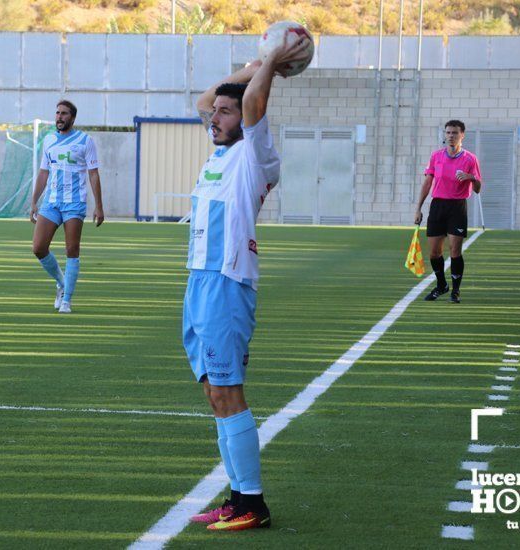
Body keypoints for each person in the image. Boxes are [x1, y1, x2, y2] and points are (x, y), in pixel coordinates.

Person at [183, 31, 312, 531]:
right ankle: (236, 498)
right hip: (198, 282)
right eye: (215, 112)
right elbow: (210, 98)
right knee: (215, 394)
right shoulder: (218, 153)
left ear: (246, 122)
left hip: (227, 283)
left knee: (229, 392)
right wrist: (255, 62)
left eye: (224, 113)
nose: (213, 117)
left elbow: (253, 100)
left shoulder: (254, 156)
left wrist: (272, 64)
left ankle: (253, 504)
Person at [30, 100, 105, 314]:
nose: (59, 117)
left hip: (75, 202)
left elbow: (93, 174)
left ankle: (67, 300)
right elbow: (44, 172)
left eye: (64, 114)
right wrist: (34, 201)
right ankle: (62, 283)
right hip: (51, 202)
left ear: (72, 117)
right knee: (38, 248)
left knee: (72, 250)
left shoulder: (85, 141)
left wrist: (99, 206)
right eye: (57, 113)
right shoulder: (48, 141)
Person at [414, 119, 482, 303]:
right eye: (448, 133)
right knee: (434, 252)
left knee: (454, 250)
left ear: (462, 135)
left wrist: (470, 177)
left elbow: (478, 188)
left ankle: (456, 291)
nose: (451, 136)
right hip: (438, 206)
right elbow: (428, 182)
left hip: (457, 207)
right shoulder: (436, 156)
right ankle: (441, 285)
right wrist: (418, 208)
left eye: (454, 133)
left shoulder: (470, 159)